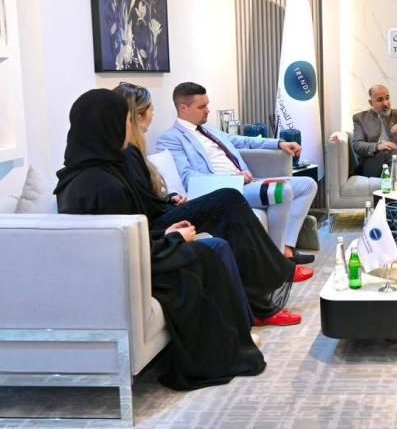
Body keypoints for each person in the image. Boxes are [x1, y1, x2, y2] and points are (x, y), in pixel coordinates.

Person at [55, 89, 266, 390]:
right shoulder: (102, 185)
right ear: (109, 126)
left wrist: (166, 234)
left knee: (210, 246)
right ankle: (227, 344)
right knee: (209, 251)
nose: (129, 127)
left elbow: (126, 235)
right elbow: (123, 252)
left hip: (130, 261)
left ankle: (235, 335)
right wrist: (174, 239)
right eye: (125, 120)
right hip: (127, 274)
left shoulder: (87, 173)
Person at [114, 82, 304, 325]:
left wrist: (169, 198)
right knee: (230, 198)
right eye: (150, 109)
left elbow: (143, 197)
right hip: (162, 222)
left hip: (166, 209)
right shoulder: (159, 142)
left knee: (242, 200)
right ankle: (276, 274)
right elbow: (174, 185)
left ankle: (273, 275)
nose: (154, 114)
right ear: (137, 115)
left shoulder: (202, 132)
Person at [156, 82, 317, 269]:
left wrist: (279, 143)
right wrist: (235, 179)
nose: (208, 110)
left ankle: (287, 248)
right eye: (201, 107)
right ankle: (279, 261)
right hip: (224, 192)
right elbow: (189, 177)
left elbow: (243, 141)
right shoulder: (171, 139)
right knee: (281, 191)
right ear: (183, 108)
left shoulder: (208, 130)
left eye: (207, 105)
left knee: (308, 185)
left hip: (247, 183)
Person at [351, 84, 397, 177]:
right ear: (371, 103)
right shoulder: (360, 118)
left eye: (387, 98)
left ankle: (395, 179)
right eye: (380, 100)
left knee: (392, 155)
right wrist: (378, 146)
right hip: (373, 164)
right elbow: (357, 145)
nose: (385, 103)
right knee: (389, 150)